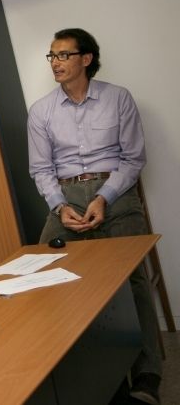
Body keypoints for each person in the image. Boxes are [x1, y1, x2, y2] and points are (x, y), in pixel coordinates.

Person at [27, 28, 162, 405]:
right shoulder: (41, 111)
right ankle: (75, 368)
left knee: (131, 277)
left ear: (86, 59)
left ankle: (147, 373)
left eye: (63, 55)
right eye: (51, 56)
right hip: (66, 195)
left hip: (114, 192)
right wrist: (59, 206)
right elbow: (40, 169)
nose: (55, 63)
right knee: (41, 272)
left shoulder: (118, 98)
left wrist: (104, 197)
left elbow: (133, 158)